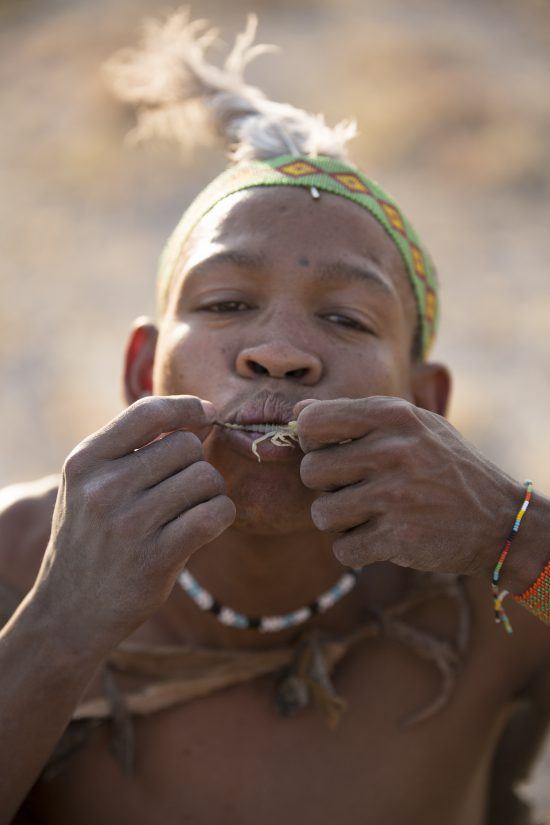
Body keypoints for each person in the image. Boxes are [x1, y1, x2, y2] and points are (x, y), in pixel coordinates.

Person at [1, 11, 549, 825]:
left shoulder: (499, 594)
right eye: (226, 303)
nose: (281, 353)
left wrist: (517, 534)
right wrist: (60, 623)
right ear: (138, 372)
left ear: (425, 403)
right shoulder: (16, 564)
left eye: (348, 319)